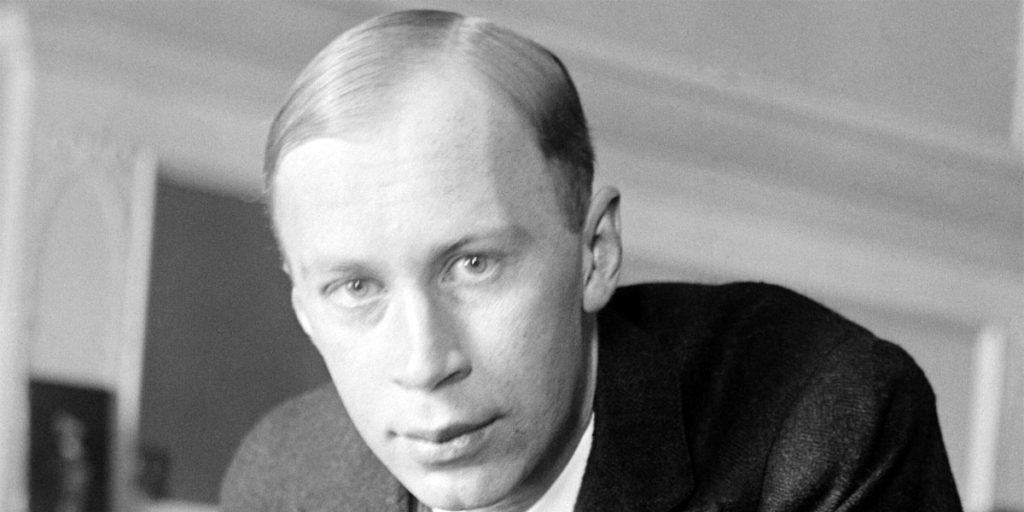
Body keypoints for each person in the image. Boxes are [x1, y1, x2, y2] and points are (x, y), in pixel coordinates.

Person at [221, 9, 962, 512]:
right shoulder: (281, 479)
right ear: (304, 310)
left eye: (474, 265)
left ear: (595, 253)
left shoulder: (824, 420)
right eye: (355, 287)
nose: (424, 364)